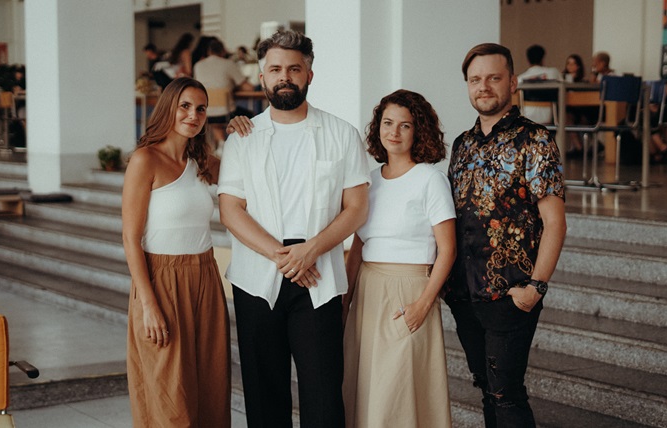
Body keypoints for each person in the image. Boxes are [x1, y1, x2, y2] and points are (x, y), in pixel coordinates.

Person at [217, 30, 370, 428]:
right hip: (256, 278)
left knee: (323, 396)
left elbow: (356, 209)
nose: (285, 76)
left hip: (318, 278)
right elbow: (231, 210)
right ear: (262, 77)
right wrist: (281, 255)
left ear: (309, 75)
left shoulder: (342, 134)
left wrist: (311, 249)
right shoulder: (242, 139)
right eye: (275, 69)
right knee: (264, 395)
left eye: (294, 68)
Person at [444, 43, 567, 428]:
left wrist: (536, 288)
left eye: (494, 78)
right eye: (475, 79)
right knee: (485, 388)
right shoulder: (462, 145)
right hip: (464, 292)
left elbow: (555, 222)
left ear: (512, 83)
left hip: (510, 292)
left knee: (506, 394)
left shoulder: (535, 140)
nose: (484, 87)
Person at [342, 89, 457, 428]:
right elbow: (358, 246)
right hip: (368, 290)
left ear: (418, 131)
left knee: (398, 392)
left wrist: (424, 303)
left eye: (404, 126)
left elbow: (447, 250)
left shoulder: (430, 180)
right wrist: (345, 301)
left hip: (409, 291)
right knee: (364, 387)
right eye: (387, 123)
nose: (393, 132)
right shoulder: (369, 182)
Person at [122, 77, 230, 427]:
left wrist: (245, 130)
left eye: (201, 109)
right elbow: (130, 237)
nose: (193, 115)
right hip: (161, 279)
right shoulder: (145, 160)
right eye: (185, 106)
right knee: (168, 389)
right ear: (169, 107)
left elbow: (251, 181)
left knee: (210, 384)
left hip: (205, 276)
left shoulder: (207, 163)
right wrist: (148, 304)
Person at [193, 37, 255, 149]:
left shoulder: (198, 65)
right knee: (252, 116)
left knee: (215, 117)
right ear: (223, 51)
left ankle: (222, 145)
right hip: (226, 113)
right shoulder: (228, 64)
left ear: (208, 52)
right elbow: (248, 88)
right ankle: (240, 147)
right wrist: (233, 86)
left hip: (206, 113)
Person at [517, 44, 562, 125]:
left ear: (528, 60)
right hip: (549, 116)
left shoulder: (520, 78)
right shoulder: (554, 72)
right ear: (543, 58)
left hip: (527, 116)